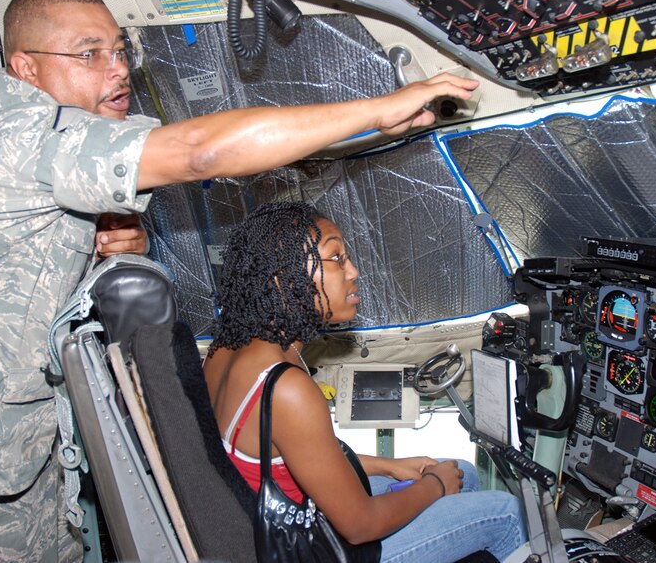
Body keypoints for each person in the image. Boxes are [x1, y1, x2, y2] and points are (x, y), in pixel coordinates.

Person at [0, 0, 479, 562]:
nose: (118, 70)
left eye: (120, 49)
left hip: (15, 447)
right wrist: (380, 104)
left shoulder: (64, 145)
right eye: (89, 54)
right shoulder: (12, 130)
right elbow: (199, 152)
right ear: (25, 69)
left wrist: (106, 249)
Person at [204, 202, 525, 562]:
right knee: (505, 512)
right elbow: (360, 525)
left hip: (298, 520)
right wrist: (435, 487)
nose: (354, 271)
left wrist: (391, 465)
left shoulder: (225, 350)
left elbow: (303, 459)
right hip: (321, 549)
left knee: (462, 472)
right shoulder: (287, 388)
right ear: (283, 277)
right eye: (336, 258)